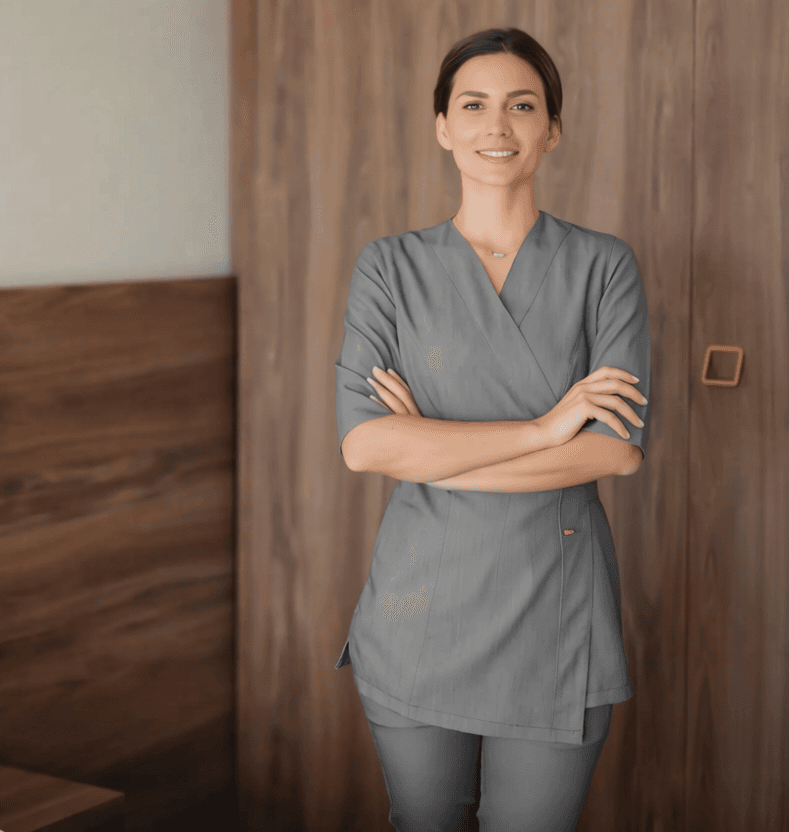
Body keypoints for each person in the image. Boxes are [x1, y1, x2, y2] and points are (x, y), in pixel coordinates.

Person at [332, 26, 652, 832]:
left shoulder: (604, 267)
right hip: (419, 610)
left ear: (552, 129)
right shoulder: (389, 268)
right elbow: (366, 445)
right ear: (443, 126)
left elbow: (614, 451)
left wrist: (430, 449)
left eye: (522, 105)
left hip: (556, 616)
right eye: (473, 105)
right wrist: (546, 430)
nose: (497, 125)